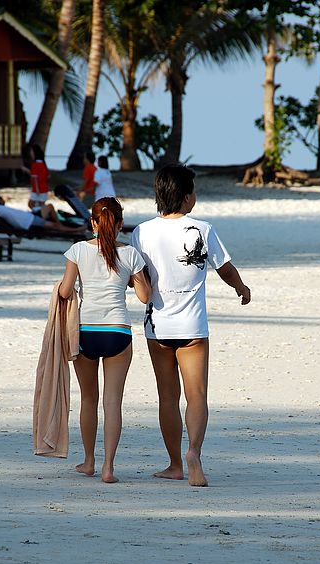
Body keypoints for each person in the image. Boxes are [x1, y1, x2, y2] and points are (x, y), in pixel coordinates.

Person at [131, 164, 251, 487]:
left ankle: (173, 464)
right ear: (186, 198)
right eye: (194, 191)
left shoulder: (141, 232)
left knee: (167, 397)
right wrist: (240, 287)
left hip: (157, 328)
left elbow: (138, 280)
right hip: (193, 327)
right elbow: (224, 268)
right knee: (197, 396)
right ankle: (194, 452)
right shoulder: (203, 229)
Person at [59, 197, 150, 483]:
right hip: (118, 332)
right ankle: (109, 468)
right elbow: (145, 296)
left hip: (86, 331)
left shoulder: (77, 251)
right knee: (112, 403)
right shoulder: (132, 254)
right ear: (120, 224)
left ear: (93, 223)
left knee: (88, 398)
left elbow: (64, 292)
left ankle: (88, 462)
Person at [0, 192, 86, 233]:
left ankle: (62, 224)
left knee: (50, 209)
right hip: (28, 221)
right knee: (54, 225)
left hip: (29, 217)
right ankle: (76, 229)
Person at [21, 144, 60, 224]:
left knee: (32, 204)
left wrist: (37, 189)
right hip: (44, 188)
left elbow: (34, 178)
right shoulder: (43, 164)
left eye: (32, 152)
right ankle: (42, 216)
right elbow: (46, 176)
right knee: (41, 204)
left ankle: (40, 218)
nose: (31, 154)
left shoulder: (35, 164)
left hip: (38, 189)